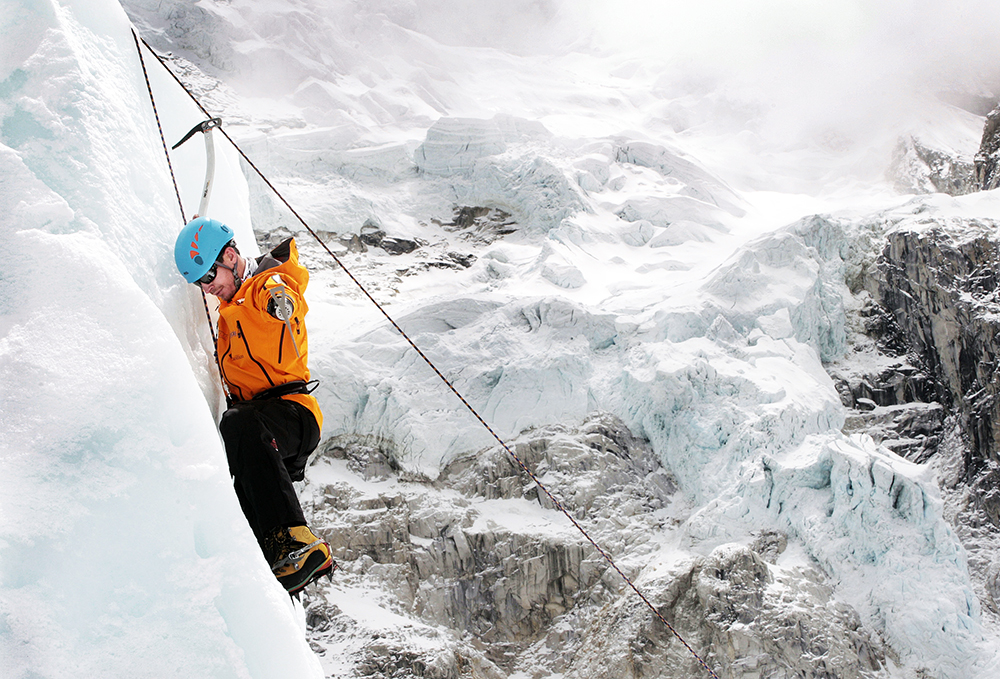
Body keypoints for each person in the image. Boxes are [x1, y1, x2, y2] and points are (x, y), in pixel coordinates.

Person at [174, 216, 334, 594]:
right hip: (266, 426)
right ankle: (273, 564)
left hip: (292, 412)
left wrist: (282, 303)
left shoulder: (267, 283)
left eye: (210, 277)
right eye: (200, 283)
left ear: (230, 255)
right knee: (241, 480)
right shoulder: (230, 309)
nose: (208, 288)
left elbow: (282, 290)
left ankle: (295, 541)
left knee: (237, 424)